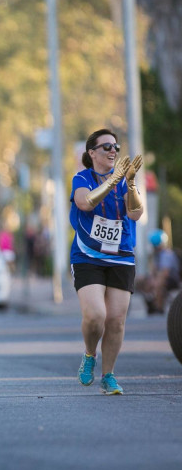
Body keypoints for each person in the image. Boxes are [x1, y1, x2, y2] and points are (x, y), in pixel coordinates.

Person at [69, 128, 143, 395]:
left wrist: (131, 184)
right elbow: (85, 203)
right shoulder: (82, 177)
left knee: (116, 320)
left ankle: (108, 375)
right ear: (92, 153)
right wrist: (112, 182)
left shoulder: (124, 181)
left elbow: (135, 213)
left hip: (121, 255)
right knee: (96, 315)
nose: (113, 151)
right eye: (107, 147)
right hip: (87, 255)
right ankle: (90, 354)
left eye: (116, 147)